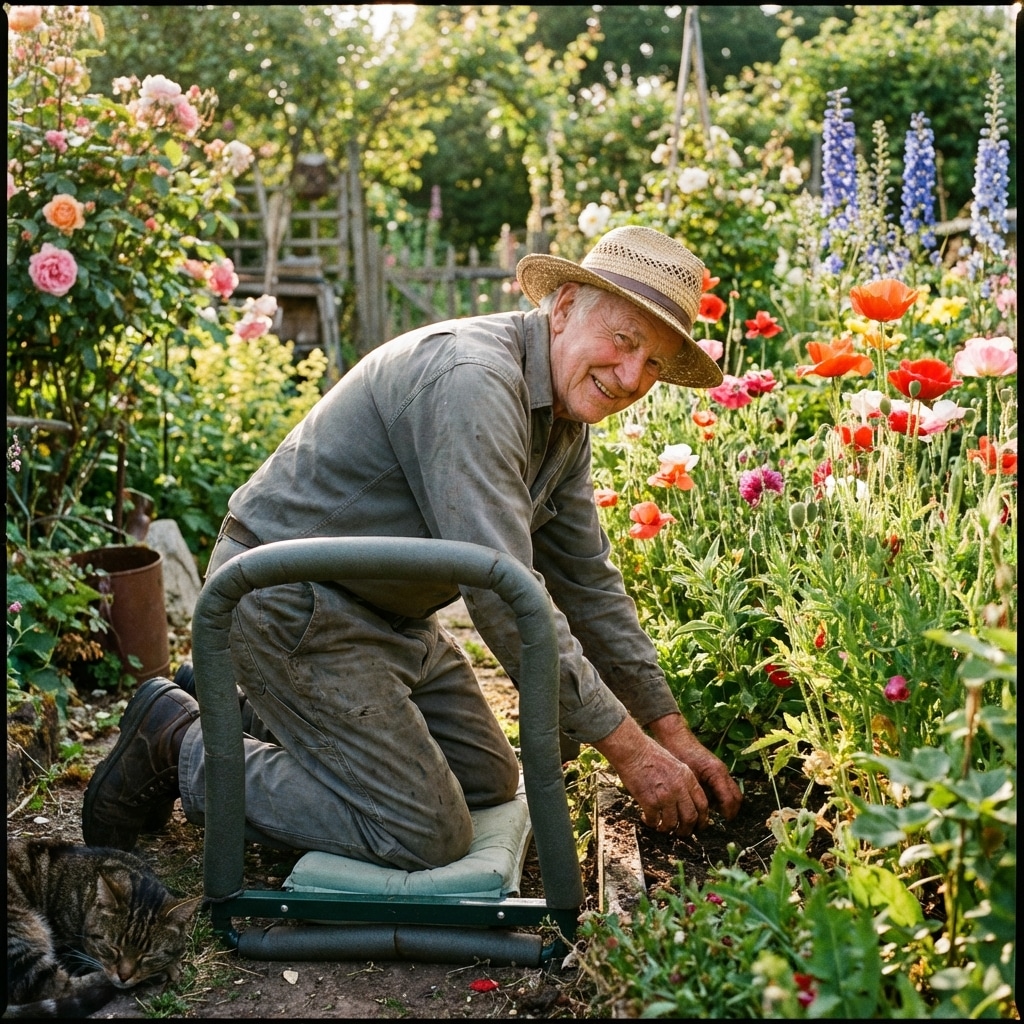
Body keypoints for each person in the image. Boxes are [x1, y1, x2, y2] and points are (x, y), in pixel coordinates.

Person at [82, 225, 743, 870]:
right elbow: (501, 593)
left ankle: (240, 711)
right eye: (624, 341)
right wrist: (629, 752)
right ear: (565, 307)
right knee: (423, 830)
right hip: (286, 601)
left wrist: (669, 731)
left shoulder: (562, 418)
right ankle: (179, 742)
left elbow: (586, 583)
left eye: (653, 363)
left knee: (485, 779)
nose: (630, 376)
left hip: (383, 616)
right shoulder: (474, 380)